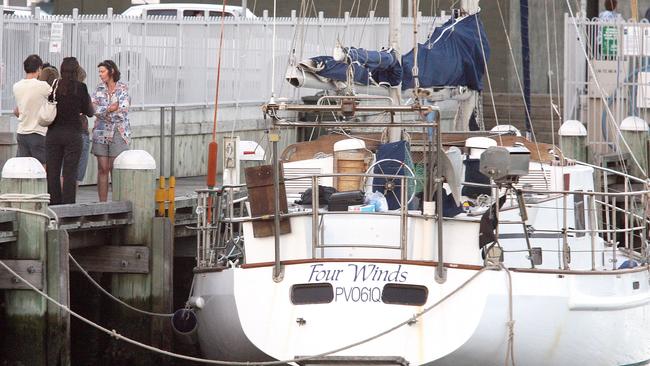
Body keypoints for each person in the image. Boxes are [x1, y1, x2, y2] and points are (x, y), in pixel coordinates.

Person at [45, 57, 94, 205]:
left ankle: (54, 204)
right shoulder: (81, 87)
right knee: (70, 172)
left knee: (52, 172)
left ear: (61, 70)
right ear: (76, 70)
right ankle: (68, 206)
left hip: (53, 133)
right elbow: (89, 111)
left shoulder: (54, 85)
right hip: (73, 134)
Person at [91, 60, 131, 202]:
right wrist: (109, 109)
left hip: (118, 132)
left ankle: (117, 201)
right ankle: (102, 204)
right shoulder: (99, 89)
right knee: (103, 168)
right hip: (100, 131)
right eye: (99, 72)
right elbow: (93, 109)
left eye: (102, 71)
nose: (100, 75)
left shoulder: (122, 89)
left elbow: (123, 111)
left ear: (111, 71)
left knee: (115, 167)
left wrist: (105, 112)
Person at [12, 54, 51, 165]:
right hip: (38, 132)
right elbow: (53, 100)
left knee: (25, 168)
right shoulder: (43, 86)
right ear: (39, 69)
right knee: (41, 168)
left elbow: (18, 109)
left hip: (21, 132)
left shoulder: (16, 86)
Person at [76, 65, 92, 187]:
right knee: (77, 172)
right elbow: (90, 112)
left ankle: (60, 201)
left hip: (62, 131)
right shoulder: (82, 91)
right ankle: (70, 201)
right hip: (80, 131)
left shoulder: (59, 89)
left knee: (63, 171)